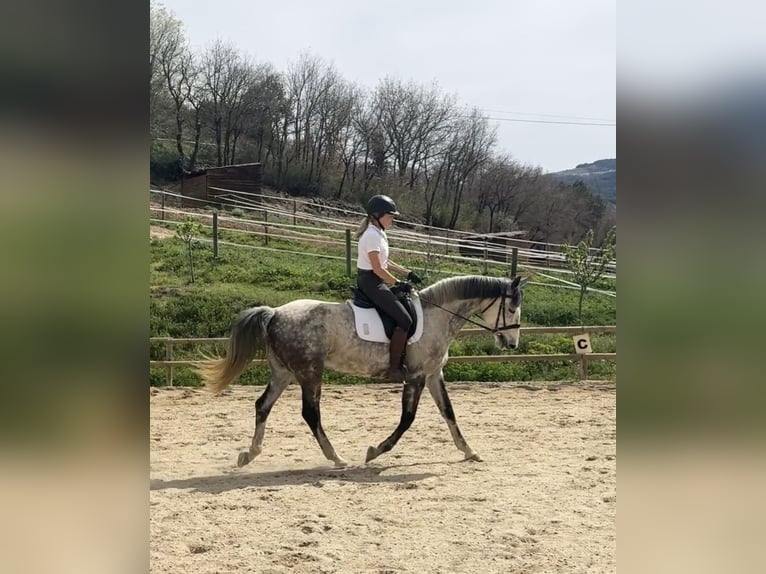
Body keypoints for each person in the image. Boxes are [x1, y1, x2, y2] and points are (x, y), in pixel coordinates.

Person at [355, 194, 422, 381]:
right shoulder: (371, 236)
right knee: (405, 320)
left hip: (377, 279)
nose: (392, 219)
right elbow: (377, 268)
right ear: (377, 215)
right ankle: (394, 369)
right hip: (371, 282)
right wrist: (398, 283)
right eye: (390, 216)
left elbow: (385, 261)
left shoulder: (379, 233)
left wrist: (407, 273)